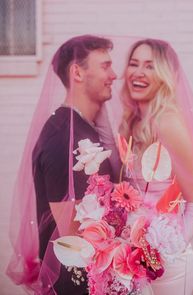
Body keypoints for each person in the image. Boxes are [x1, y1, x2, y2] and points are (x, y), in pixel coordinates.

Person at [113, 39, 193, 294]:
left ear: (164, 75)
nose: (138, 72)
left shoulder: (168, 122)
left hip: (168, 264)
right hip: (132, 258)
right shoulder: (130, 122)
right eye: (134, 64)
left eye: (150, 66)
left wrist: (163, 254)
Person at [6, 35, 117, 294]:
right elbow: (73, 235)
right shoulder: (62, 138)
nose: (114, 75)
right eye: (105, 66)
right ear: (77, 72)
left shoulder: (83, 128)